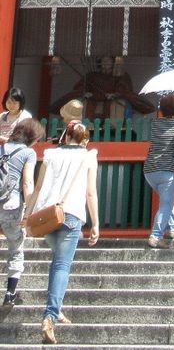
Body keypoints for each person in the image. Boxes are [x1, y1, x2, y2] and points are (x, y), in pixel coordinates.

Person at [24, 120, 99, 345]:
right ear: (84, 139)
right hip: (71, 215)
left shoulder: (50, 154)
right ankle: (50, 315)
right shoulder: (88, 156)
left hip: (47, 216)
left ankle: (57, 309)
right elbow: (90, 193)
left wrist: (27, 216)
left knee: (57, 264)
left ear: (66, 136)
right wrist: (95, 223)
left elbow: (37, 188)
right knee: (61, 265)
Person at [0, 118, 44, 307]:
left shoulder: (2, 147)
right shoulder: (28, 153)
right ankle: (10, 294)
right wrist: (29, 209)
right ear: (33, 137)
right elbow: (27, 182)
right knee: (15, 249)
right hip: (11, 206)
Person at [143, 93, 174, 249]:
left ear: (162, 109)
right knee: (166, 203)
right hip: (169, 169)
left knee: (167, 200)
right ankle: (156, 235)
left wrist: (173, 103)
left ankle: (172, 229)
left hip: (150, 169)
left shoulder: (154, 123)